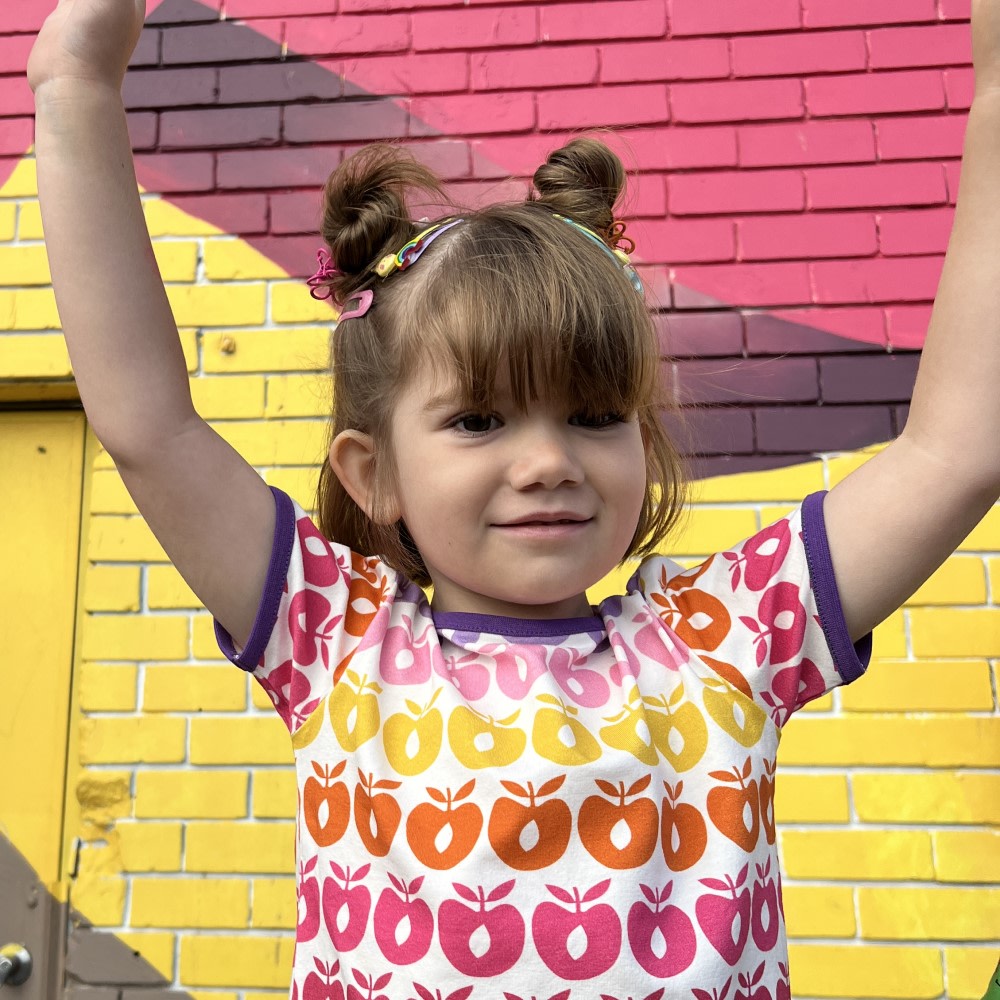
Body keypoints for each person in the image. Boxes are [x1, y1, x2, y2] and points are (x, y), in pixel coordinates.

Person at [28, 0, 1000, 996]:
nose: (547, 461)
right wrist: (75, 91)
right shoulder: (334, 641)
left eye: (589, 415)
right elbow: (151, 426)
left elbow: (954, 448)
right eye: (480, 420)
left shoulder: (724, 639)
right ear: (378, 476)